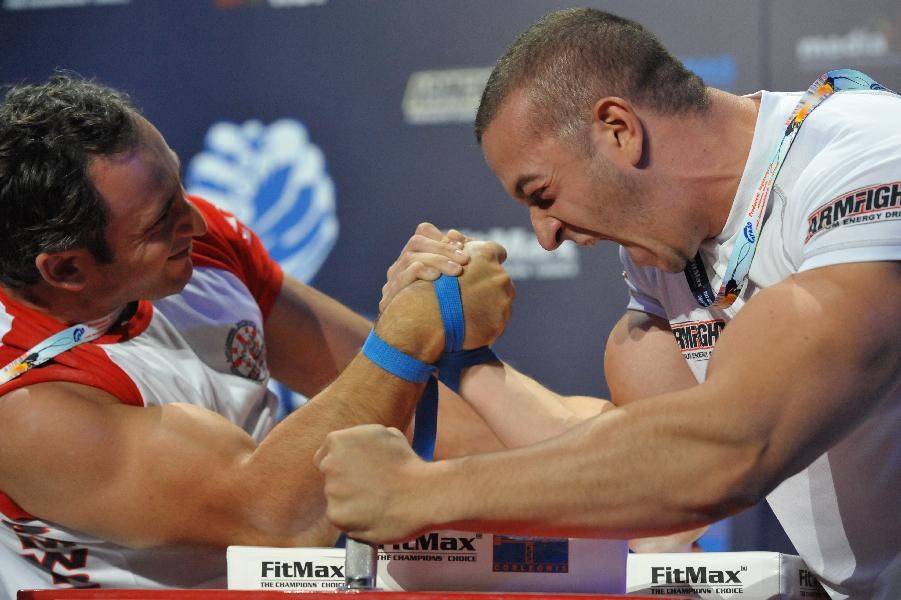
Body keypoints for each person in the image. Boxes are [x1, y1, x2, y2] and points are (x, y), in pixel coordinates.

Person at [314, 8, 901, 599]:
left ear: (619, 129)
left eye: (541, 194)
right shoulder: (661, 256)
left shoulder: (866, 157)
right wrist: (462, 351)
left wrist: (420, 493)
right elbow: (654, 473)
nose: (544, 236)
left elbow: (730, 447)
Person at [0, 75, 521, 595]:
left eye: (178, 188)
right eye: (161, 221)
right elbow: (278, 522)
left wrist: (572, 461)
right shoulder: (26, 407)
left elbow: (404, 395)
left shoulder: (198, 251)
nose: (199, 221)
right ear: (67, 270)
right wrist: (414, 325)